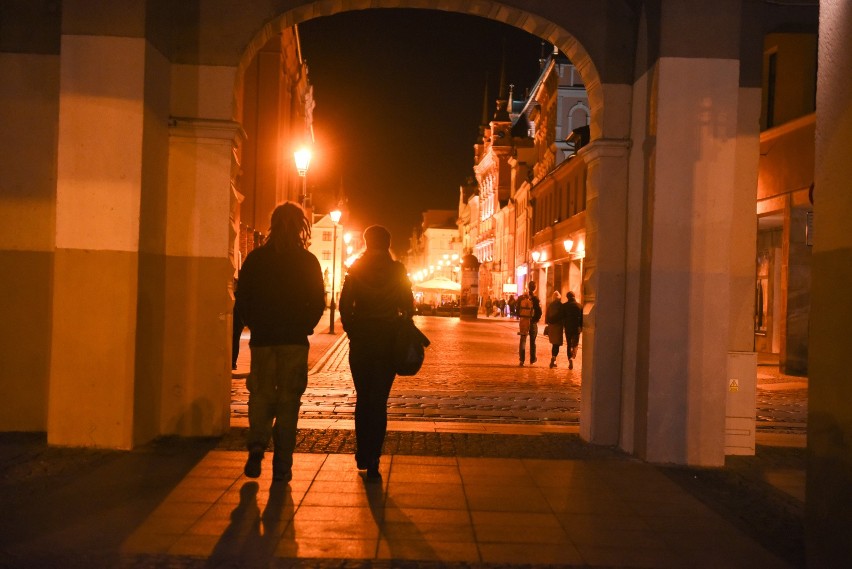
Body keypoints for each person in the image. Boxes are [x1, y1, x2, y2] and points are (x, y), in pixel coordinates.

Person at [235, 202, 325, 482]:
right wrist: (305, 325)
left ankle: (257, 444)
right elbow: (318, 302)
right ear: (302, 227)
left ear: (272, 223)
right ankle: (283, 463)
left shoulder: (256, 259)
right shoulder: (308, 261)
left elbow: (243, 298)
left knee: (260, 394)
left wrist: (256, 324)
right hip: (294, 340)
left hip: (263, 340)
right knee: (289, 401)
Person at [339, 225, 414, 480]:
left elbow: (344, 304)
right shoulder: (397, 270)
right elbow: (408, 304)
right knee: (379, 401)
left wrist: (352, 329)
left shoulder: (356, 268)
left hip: (361, 342)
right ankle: (374, 461)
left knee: (363, 398)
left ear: (366, 242)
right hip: (387, 341)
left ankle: (362, 452)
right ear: (388, 243)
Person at [563, 291, 584, 370]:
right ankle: (573, 355)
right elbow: (582, 318)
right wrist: (581, 327)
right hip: (576, 328)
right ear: (574, 296)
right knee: (575, 344)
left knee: (568, 344)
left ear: (567, 297)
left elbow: (563, 317)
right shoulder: (580, 306)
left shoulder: (565, 306)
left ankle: (569, 358)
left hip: (568, 328)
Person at [545, 291, 565, 368]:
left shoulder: (550, 305)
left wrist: (548, 323)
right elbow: (563, 316)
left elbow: (547, 316)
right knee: (556, 344)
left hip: (551, 326)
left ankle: (554, 358)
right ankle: (554, 357)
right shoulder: (561, 305)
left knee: (554, 343)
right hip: (558, 326)